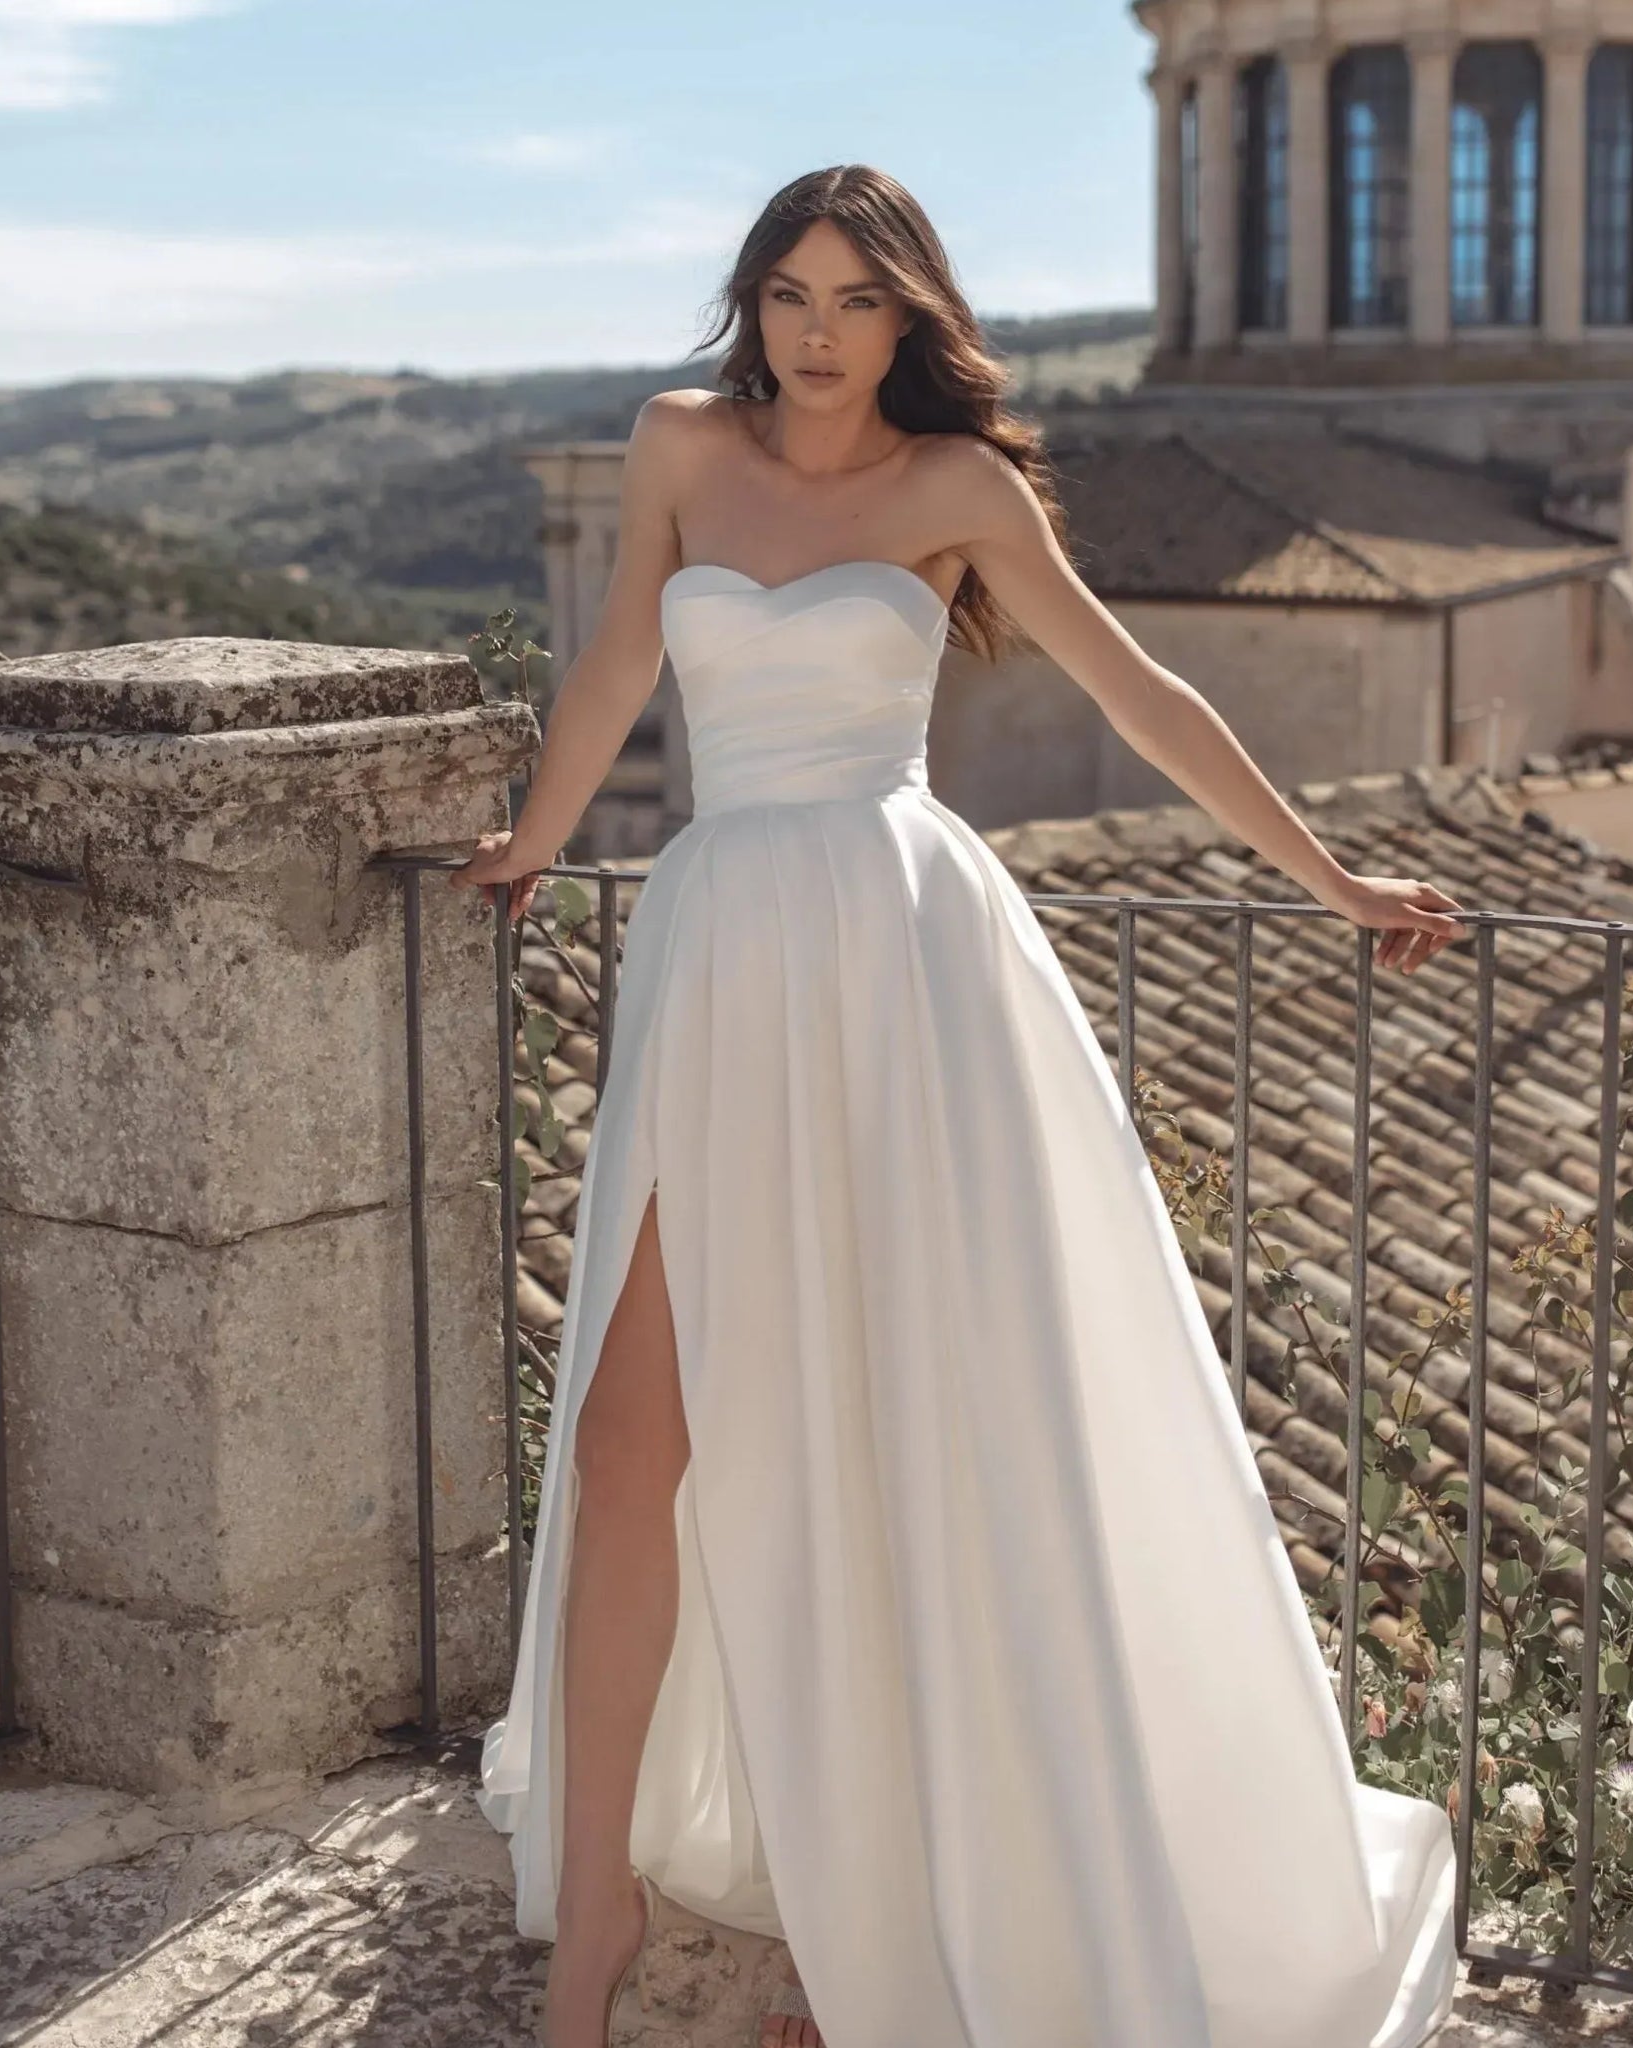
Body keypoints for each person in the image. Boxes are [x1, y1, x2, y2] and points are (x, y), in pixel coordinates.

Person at [457, 162, 1468, 2048]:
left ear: (910, 318)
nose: (818, 333)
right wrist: (530, 841)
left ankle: (889, 1921)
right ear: (750, 303)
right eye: (790, 294)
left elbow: (1145, 695)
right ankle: (594, 1914)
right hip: (718, 953)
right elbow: (615, 667)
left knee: (894, 1439)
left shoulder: (960, 490)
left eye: (857, 300)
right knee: (623, 1447)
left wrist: (1333, 883)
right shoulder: (680, 446)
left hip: (900, 967)